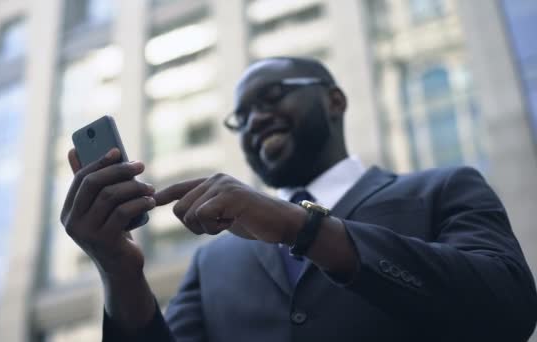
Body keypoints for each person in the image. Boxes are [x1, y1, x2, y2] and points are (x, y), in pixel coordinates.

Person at [60, 57, 537, 341]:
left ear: (334, 101)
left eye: (272, 97)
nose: (255, 119)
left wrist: (301, 228)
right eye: (241, 117)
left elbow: (510, 311)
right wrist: (118, 271)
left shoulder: (444, 188)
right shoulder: (213, 265)